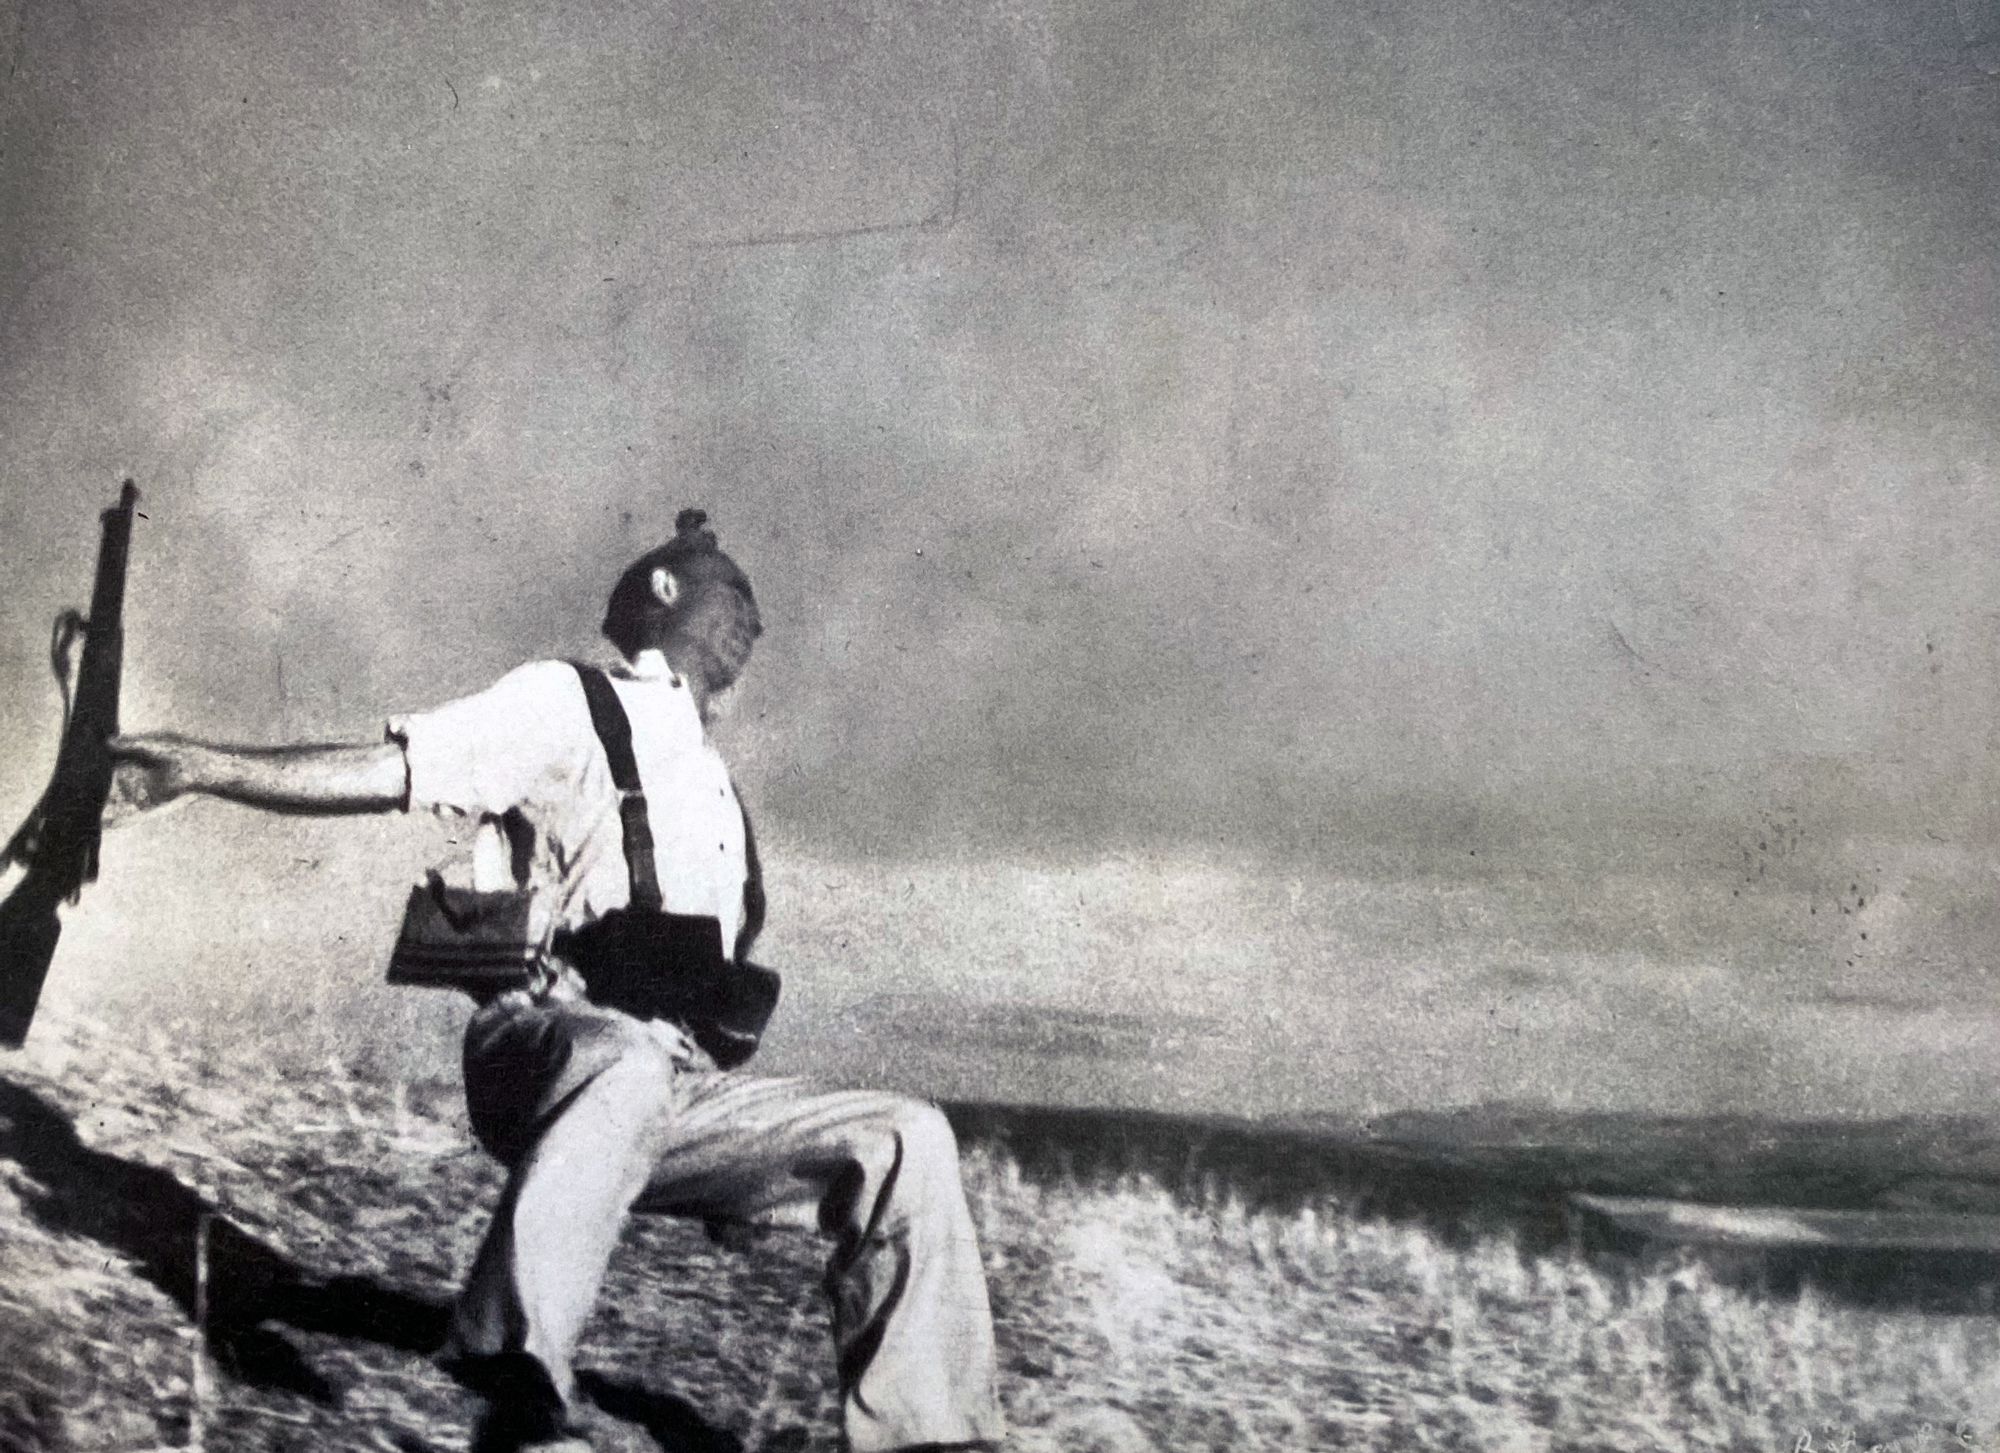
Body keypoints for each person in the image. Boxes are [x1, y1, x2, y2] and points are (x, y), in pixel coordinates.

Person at [109, 510, 1003, 1453]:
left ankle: (928, 1437)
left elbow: (718, 993)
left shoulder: (721, 798)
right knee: (620, 1060)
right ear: (666, 588)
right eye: (739, 594)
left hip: (671, 1089)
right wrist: (197, 766)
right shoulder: (566, 699)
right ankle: (520, 1380)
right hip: (542, 1043)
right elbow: (387, 771)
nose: (756, 623)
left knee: (908, 1136)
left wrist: (747, 1163)